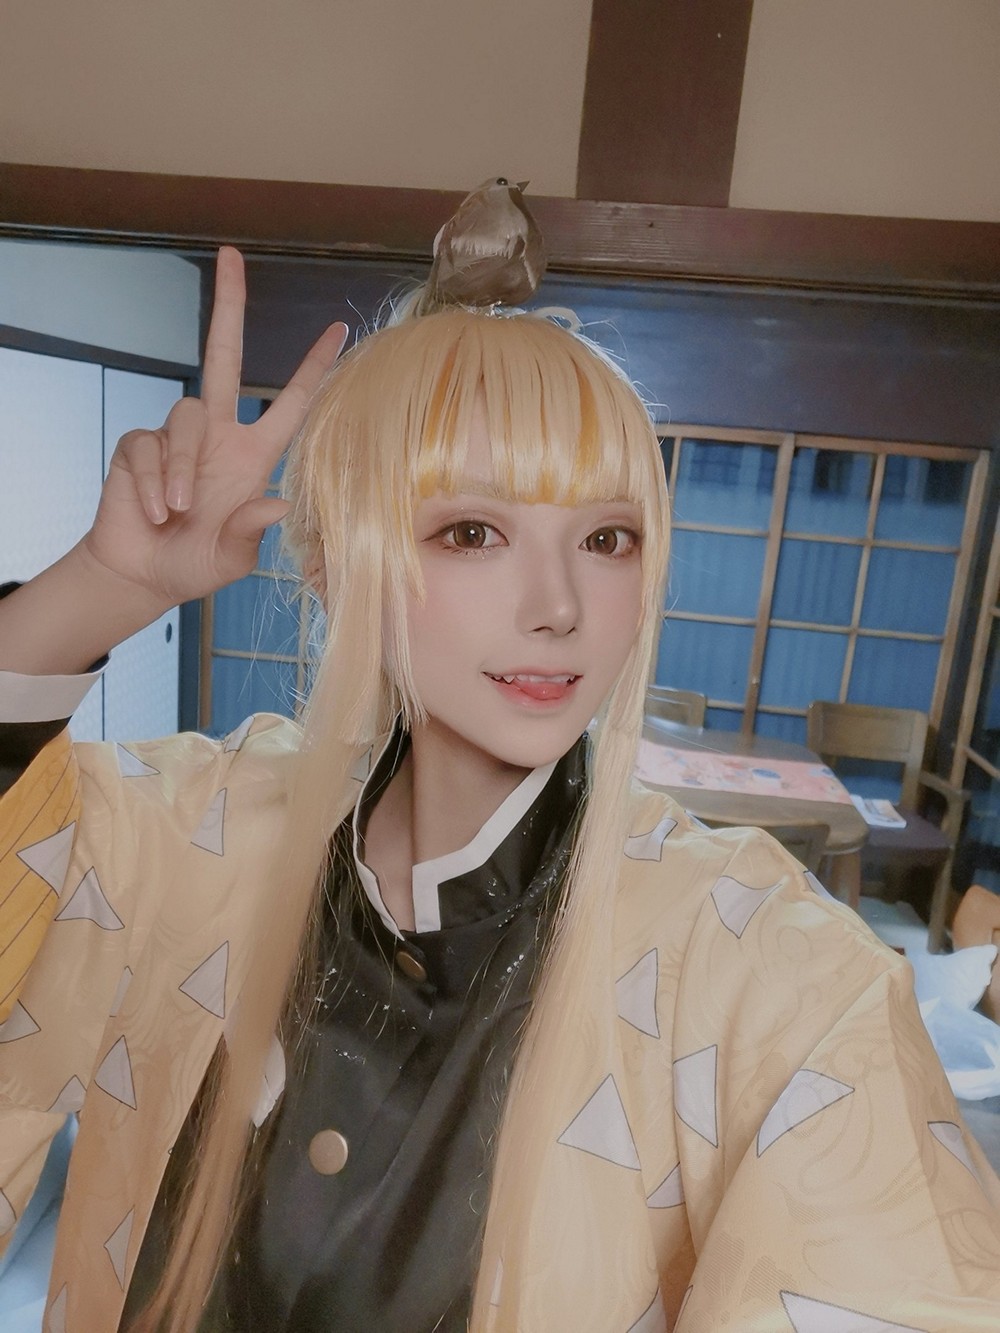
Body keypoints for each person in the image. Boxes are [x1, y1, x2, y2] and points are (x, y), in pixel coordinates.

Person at [0, 229, 999, 1333]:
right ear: (333, 565)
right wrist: (100, 587)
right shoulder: (197, 826)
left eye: (608, 538)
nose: (559, 605)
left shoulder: (763, 956)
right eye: (473, 531)